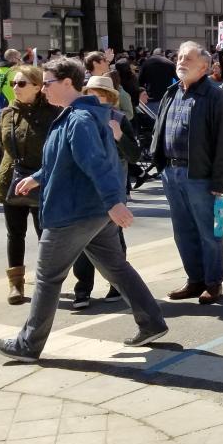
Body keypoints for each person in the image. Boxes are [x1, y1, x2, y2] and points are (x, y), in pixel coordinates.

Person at [0, 58, 167, 363]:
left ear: (67, 83)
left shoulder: (79, 119)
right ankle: (151, 322)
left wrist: (114, 202)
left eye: (48, 82)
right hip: (90, 211)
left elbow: (96, 164)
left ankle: (28, 345)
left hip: (74, 212)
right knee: (116, 267)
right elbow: (65, 160)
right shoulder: (77, 115)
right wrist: (37, 177)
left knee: (47, 277)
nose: (43, 88)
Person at [151, 42, 223, 304]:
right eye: (179, 57)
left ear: (204, 67)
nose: (181, 62)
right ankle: (194, 280)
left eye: (187, 58)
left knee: (209, 232)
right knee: (183, 231)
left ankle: (212, 282)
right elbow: (160, 128)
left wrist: (220, 181)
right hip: (172, 172)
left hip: (199, 175)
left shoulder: (215, 96)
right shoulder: (172, 92)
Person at [71, 76, 141, 309]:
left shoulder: (118, 118)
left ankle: (117, 286)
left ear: (110, 98)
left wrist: (119, 136)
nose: (94, 98)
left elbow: (134, 155)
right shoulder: (78, 119)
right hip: (84, 189)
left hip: (113, 189)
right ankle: (82, 289)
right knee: (82, 240)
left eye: (99, 94)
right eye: (90, 93)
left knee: (114, 238)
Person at [0, 65, 59, 305]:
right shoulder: (7, 114)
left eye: (21, 84)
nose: (15, 88)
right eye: (13, 84)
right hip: (12, 179)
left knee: (45, 234)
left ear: (37, 86)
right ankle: (16, 285)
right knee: (15, 233)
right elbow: (3, 146)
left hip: (42, 180)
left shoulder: (53, 112)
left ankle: (47, 283)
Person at [137, 48, 176, 113]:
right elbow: (178, 80)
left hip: (151, 97)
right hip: (167, 97)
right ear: (163, 54)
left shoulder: (146, 64)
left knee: (153, 120)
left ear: (153, 54)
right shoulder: (170, 63)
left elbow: (140, 82)